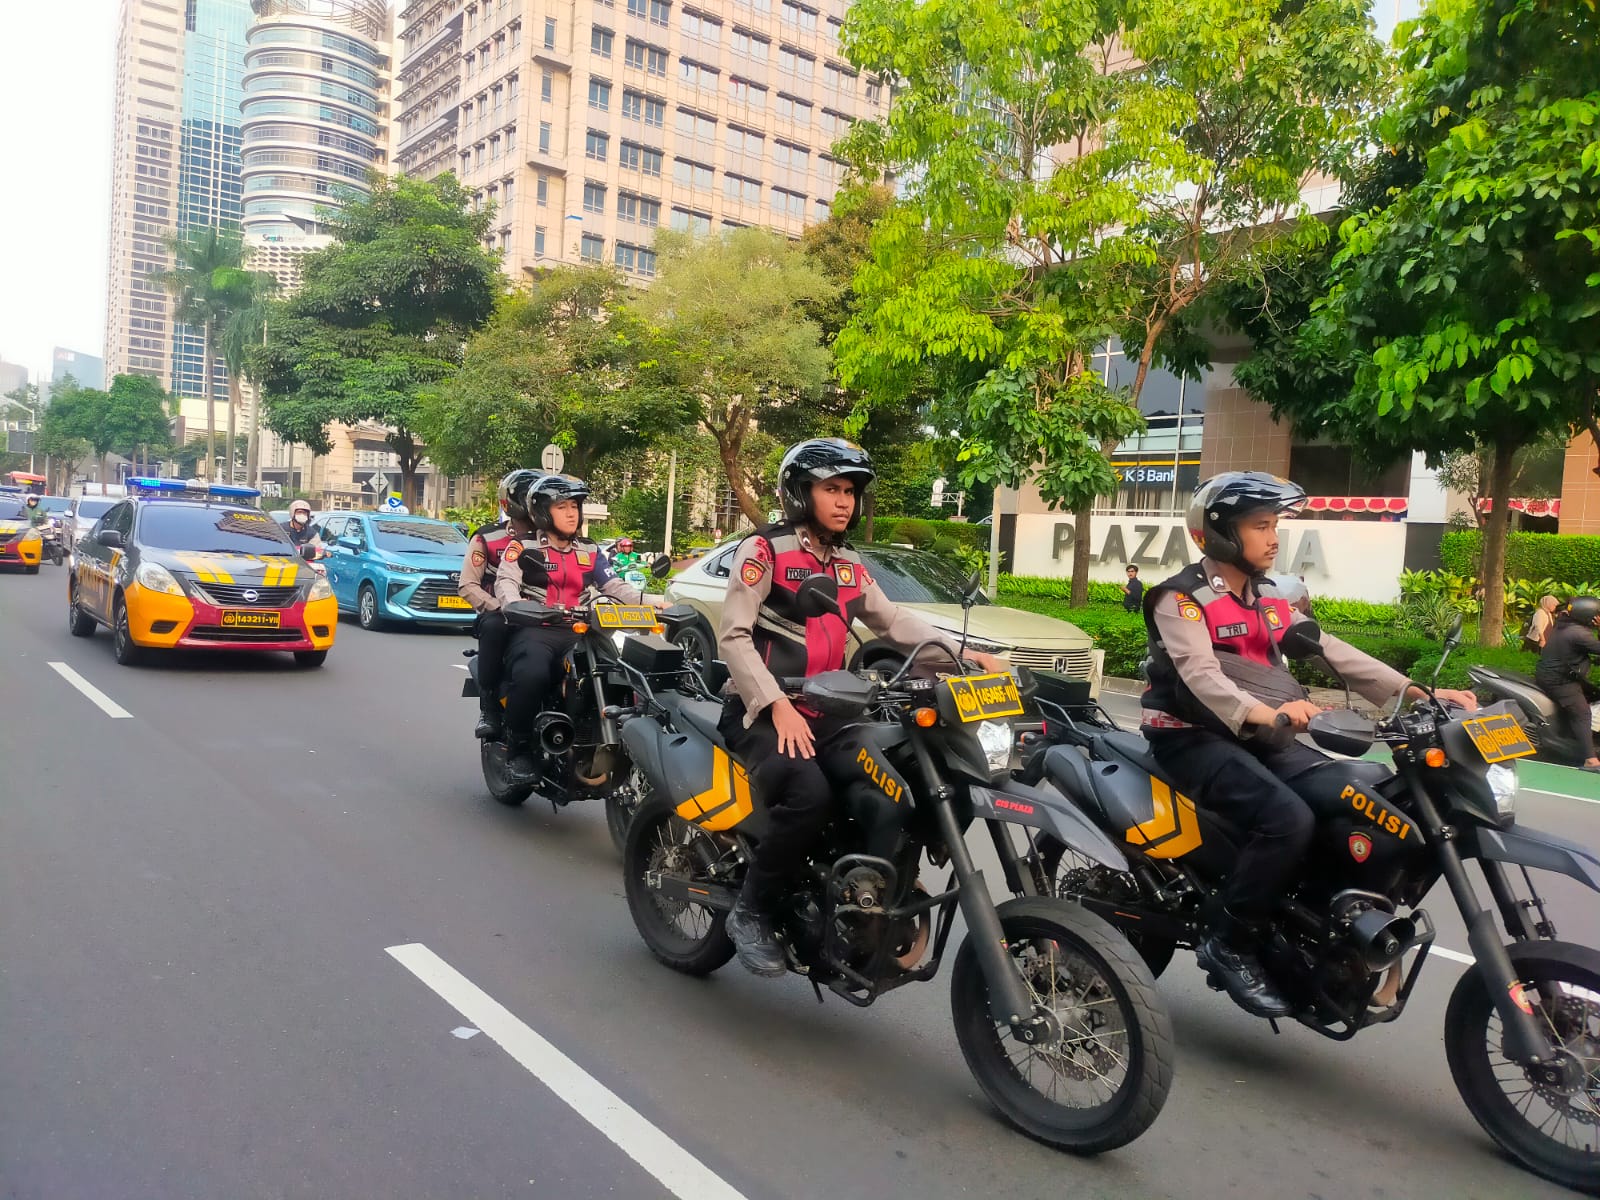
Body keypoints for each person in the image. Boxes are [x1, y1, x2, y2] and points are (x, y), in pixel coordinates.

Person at [1140, 472, 1478, 1017]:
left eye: (1274, 526)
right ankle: (1229, 939)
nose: (1273, 538)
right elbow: (1202, 677)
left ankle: (1318, 923)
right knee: (1287, 819)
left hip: (1266, 734)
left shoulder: (1268, 600)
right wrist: (1267, 713)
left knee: (1357, 796)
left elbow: (1335, 652)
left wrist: (1419, 693)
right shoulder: (1181, 599)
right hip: (1191, 737)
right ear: (1222, 532)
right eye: (1260, 526)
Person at [718, 437, 1009, 977]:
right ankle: (750, 910)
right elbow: (733, 637)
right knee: (809, 795)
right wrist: (776, 703)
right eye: (832, 489)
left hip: (831, 711)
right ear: (800, 493)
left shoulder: (849, 563)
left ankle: (861, 894)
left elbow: (892, 622)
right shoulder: (764, 551)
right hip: (763, 713)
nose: (844, 501)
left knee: (894, 781)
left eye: (850, 491)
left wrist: (964, 655)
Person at [494, 473, 646, 784]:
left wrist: (653, 602)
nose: (571, 513)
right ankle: (519, 748)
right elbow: (506, 581)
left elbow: (614, 586)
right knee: (533, 673)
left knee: (620, 671)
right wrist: (514, 604)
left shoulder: (590, 550)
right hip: (538, 626)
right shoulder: (523, 546)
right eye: (562, 506)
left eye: (574, 506)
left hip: (584, 628)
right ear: (541, 512)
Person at [459, 469, 540, 740]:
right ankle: (490, 707)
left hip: (546, 614)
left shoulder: (554, 539)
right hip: (500, 612)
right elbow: (467, 585)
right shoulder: (487, 538)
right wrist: (501, 607)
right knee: (494, 627)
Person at [1535, 596, 1600, 771]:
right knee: (1582, 713)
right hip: (1559, 680)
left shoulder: (1566, 624)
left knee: (1592, 695)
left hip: (1560, 674)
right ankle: (1590, 760)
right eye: (1597, 615)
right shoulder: (1578, 633)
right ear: (1588, 616)